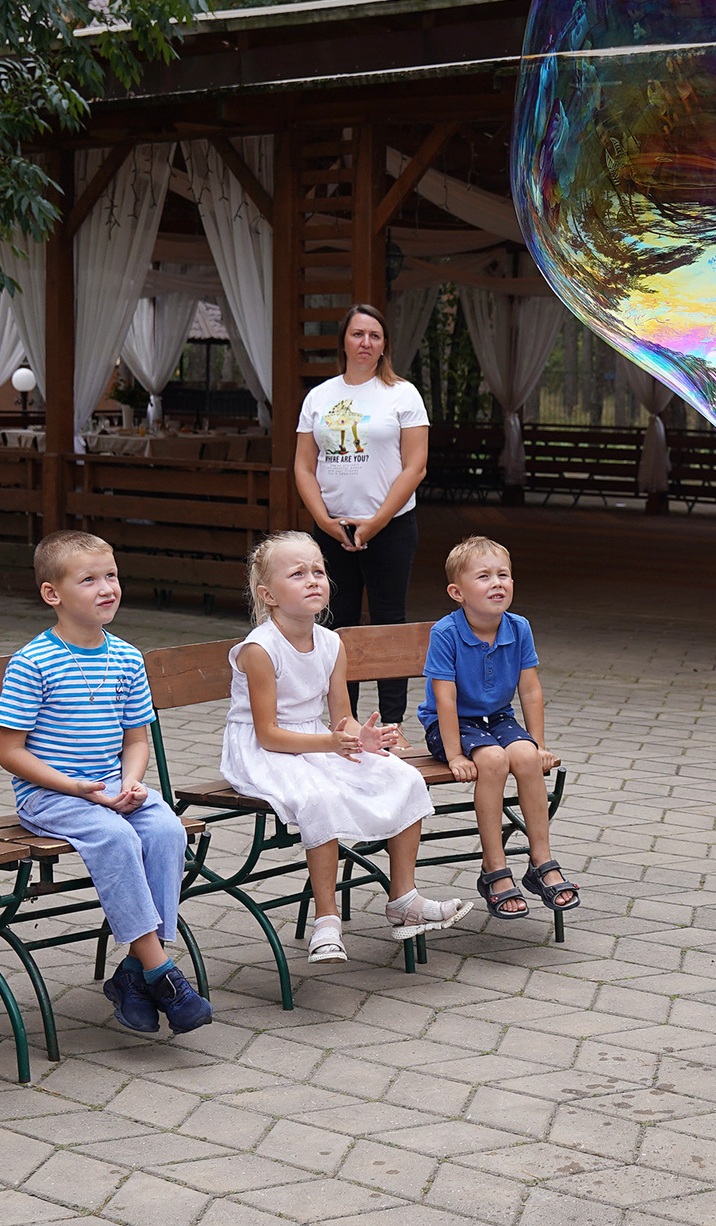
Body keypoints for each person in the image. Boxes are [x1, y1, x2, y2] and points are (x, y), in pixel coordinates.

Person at [0, 530, 212, 1035]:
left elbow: (137, 741)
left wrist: (132, 784)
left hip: (113, 786)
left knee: (165, 830)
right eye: (89, 579)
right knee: (115, 837)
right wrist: (74, 788)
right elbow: (9, 752)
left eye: (111, 576)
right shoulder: (33, 661)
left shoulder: (127, 657)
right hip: (50, 795)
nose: (106, 588)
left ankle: (134, 976)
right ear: (54, 594)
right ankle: (161, 972)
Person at [223, 532, 473, 961]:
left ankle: (404, 899)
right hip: (264, 750)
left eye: (318, 570)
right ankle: (327, 919)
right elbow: (267, 733)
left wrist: (366, 738)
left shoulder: (331, 642)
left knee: (403, 776)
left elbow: (343, 718)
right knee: (319, 798)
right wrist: (334, 742)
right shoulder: (260, 649)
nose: (313, 579)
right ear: (268, 595)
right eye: (297, 573)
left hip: (319, 739)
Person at [419, 536, 578, 922]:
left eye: (504, 575)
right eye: (484, 576)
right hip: (450, 725)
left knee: (523, 756)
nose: (497, 583)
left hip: (498, 719)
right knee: (491, 761)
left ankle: (541, 860)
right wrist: (455, 754)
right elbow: (446, 702)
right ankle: (493, 866)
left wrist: (538, 745)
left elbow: (530, 688)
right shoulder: (446, 632)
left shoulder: (519, 627)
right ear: (457, 592)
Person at [294, 304, 429, 731]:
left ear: (384, 343)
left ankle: (392, 725)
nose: (366, 342)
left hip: (389, 528)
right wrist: (326, 520)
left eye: (374, 335)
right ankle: (346, 723)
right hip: (332, 528)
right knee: (337, 626)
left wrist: (376, 523)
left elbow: (416, 466)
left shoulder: (402, 394)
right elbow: (303, 466)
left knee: (389, 622)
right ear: (344, 342)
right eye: (357, 334)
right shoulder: (320, 396)